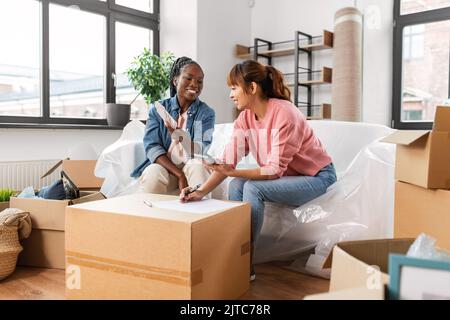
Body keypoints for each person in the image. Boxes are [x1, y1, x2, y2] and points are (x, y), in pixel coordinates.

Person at [179, 60, 337, 281]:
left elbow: (273, 171)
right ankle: (233, 248)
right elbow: (228, 162)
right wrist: (199, 192)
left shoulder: (285, 114)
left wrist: (232, 172)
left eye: (234, 88)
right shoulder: (245, 119)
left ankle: (244, 258)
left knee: (253, 188)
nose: (231, 95)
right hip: (290, 177)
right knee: (236, 184)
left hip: (318, 177)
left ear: (252, 88)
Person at [131, 57, 215, 195]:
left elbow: (199, 151)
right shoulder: (159, 109)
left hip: (191, 165)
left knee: (198, 166)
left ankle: (199, 214)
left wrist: (179, 134)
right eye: (189, 78)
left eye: (200, 81)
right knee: (153, 172)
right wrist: (179, 175)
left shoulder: (206, 113)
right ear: (175, 80)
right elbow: (152, 147)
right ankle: (151, 215)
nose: (195, 84)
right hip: (166, 168)